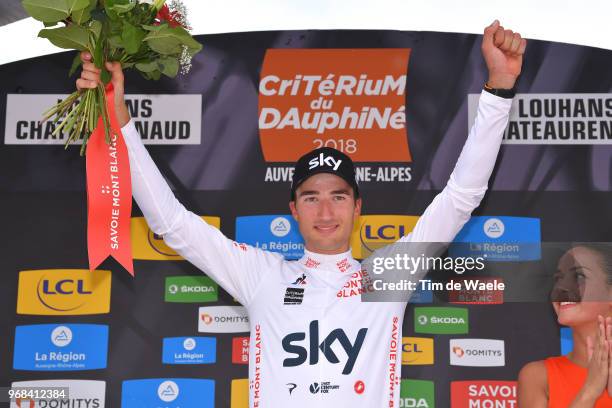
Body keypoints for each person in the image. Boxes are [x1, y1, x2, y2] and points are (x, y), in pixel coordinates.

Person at [78, 20, 525, 407]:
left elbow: (461, 196)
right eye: (311, 197)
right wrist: (118, 120)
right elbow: (170, 223)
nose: (326, 210)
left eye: (338, 196)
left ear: (358, 207)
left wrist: (499, 91)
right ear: (293, 209)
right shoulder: (262, 275)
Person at [518, 244, 612, 408]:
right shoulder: (539, 376)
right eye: (558, 279)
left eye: (579, 277)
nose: (561, 287)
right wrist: (589, 392)